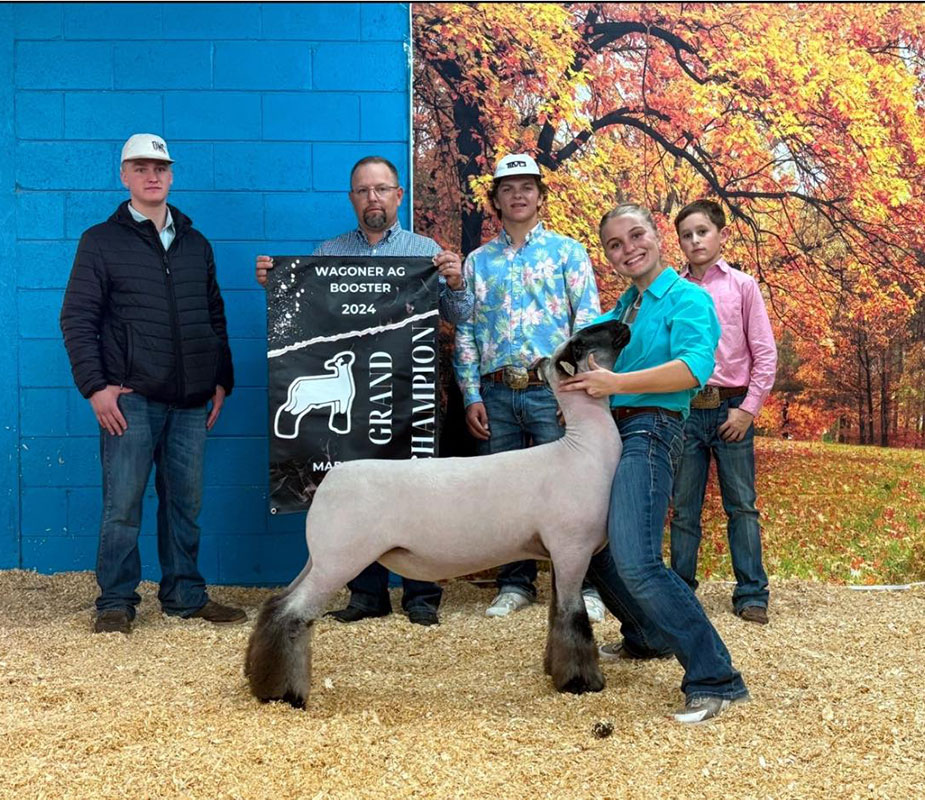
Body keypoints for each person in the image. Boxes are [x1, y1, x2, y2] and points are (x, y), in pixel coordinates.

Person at [256, 155, 473, 627]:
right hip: (357, 398)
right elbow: (304, 315)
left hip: (410, 394)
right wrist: (277, 284)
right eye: (363, 190)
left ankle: (422, 596)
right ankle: (366, 595)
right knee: (360, 494)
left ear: (398, 195)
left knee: (420, 494)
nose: (373, 198)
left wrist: (456, 282)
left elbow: (459, 315)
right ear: (352, 198)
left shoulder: (425, 250)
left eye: (381, 189)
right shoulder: (328, 253)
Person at [562, 202, 750, 723]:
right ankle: (647, 635)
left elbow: (693, 368)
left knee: (638, 561)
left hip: (653, 429)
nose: (628, 249)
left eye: (636, 235)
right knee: (592, 547)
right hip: (609, 434)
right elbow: (571, 354)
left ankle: (717, 679)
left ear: (657, 236)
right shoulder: (621, 312)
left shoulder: (688, 298)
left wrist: (614, 383)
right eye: (615, 245)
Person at [60, 133, 245, 634]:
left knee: (186, 504)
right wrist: (95, 387)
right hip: (131, 399)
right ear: (124, 175)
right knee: (122, 506)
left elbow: (214, 316)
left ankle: (184, 594)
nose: (152, 176)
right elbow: (77, 318)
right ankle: (116, 601)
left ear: (171, 175)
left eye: (160, 168)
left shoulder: (195, 243)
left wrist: (221, 379)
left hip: (191, 402)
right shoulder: (100, 241)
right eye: (140, 168)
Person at [453, 153, 607, 622]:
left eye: (527, 187)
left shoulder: (567, 253)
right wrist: (471, 395)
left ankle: (584, 587)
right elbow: (466, 331)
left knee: (572, 493)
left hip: (551, 392)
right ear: (496, 200)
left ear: (541, 196)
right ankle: (514, 584)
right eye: (507, 188)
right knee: (504, 494)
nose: (517, 195)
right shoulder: (477, 262)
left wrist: (575, 393)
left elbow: (587, 325)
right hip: (496, 392)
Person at [670, 199, 778, 625]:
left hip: (732, 409)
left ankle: (751, 592)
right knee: (683, 507)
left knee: (741, 504)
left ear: (722, 235)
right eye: (686, 235)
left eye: (703, 232)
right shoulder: (673, 292)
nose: (695, 240)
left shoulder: (742, 286)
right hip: (685, 411)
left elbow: (764, 354)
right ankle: (680, 591)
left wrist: (748, 410)